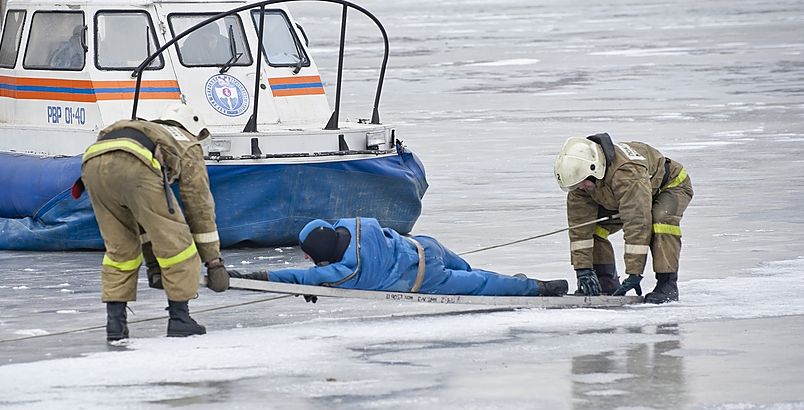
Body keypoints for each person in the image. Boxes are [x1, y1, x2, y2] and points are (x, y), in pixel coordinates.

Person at [75, 101, 230, 343]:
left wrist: (154, 266)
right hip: (134, 165)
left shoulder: (147, 130)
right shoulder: (189, 144)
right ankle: (180, 319)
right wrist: (213, 262)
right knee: (179, 246)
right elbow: (198, 206)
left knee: (120, 249)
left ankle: (115, 325)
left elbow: (145, 222)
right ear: (194, 128)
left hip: (92, 163)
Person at [230, 217, 568, 297]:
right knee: (470, 268)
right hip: (426, 246)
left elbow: (295, 279)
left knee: (480, 284)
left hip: (425, 278)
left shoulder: (345, 272)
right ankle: (524, 281)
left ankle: (536, 288)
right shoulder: (358, 224)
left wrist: (251, 277)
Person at [553, 133, 693, 304]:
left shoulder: (626, 174)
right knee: (594, 228)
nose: (581, 188)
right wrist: (583, 270)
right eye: (575, 185)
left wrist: (634, 273)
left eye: (583, 183)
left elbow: (637, 223)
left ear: (594, 169)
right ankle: (606, 281)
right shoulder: (581, 185)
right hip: (620, 195)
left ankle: (667, 284)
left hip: (669, 186)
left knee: (661, 221)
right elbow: (579, 229)